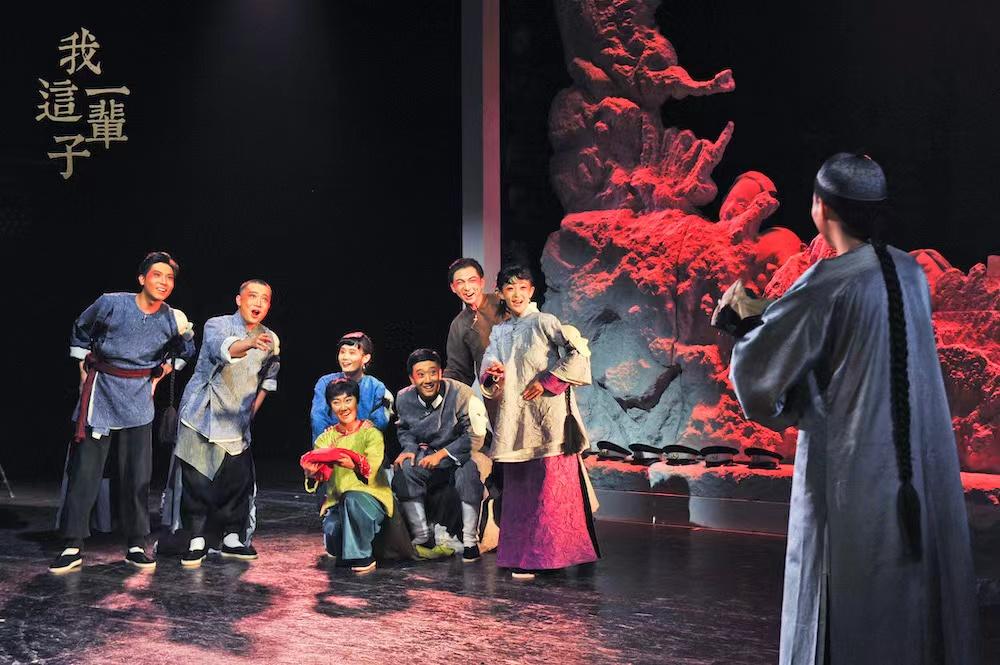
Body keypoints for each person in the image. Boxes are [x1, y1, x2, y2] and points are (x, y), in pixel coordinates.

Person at [724, 153, 979, 665]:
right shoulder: (910, 272)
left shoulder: (826, 281)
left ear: (820, 207)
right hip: (914, 472)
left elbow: (757, 379)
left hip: (848, 472)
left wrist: (742, 324)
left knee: (839, 592)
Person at [50, 251, 196, 574]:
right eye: (157, 275)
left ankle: (135, 543)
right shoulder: (112, 303)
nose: (164, 282)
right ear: (142, 278)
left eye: (170, 278)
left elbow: (186, 349)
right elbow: (80, 329)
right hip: (102, 391)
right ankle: (73, 544)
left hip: (138, 397)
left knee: (137, 476)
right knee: (85, 471)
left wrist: (160, 375)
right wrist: (82, 373)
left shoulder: (173, 318)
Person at [480, 265, 599, 580]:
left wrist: (548, 381)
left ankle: (551, 556)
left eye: (522, 287)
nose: (516, 294)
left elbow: (578, 353)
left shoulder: (545, 322)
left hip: (548, 418)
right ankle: (521, 556)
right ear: (501, 294)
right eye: (509, 288)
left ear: (531, 290)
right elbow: (489, 365)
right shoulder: (500, 332)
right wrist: (493, 373)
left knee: (550, 488)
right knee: (521, 490)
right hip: (516, 419)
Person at [163, 279, 280, 567]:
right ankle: (196, 538)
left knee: (236, 481)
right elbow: (224, 349)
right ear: (239, 299)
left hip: (236, 420)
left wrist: (250, 412)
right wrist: (249, 342)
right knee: (198, 480)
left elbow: (268, 379)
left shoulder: (270, 338)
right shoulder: (218, 324)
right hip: (203, 413)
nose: (258, 303)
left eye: (264, 299)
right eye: (252, 296)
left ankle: (232, 537)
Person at [392, 349, 487, 562]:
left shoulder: (462, 394)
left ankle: (470, 541)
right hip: (427, 455)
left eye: (432, 372)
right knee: (405, 469)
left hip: (460, 454)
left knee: (468, 475)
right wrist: (409, 449)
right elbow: (404, 429)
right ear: (412, 378)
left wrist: (443, 454)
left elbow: (475, 435)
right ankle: (422, 535)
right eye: (421, 374)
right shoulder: (403, 397)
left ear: (441, 373)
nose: (428, 380)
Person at [306, 378, 392, 574]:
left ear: (357, 401)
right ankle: (349, 543)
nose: (343, 407)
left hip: (370, 500)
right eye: (336, 402)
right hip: (338, 503)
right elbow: (318, 471)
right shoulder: (326, 438)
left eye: (348, 400)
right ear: (330, 406)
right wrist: (311, 473)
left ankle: (363, 556)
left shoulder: (371, 434)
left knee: (352, 498)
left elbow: (371, 469)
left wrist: (353, 465)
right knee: (333, 531)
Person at [310, 332, 391, 440]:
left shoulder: (376, 387)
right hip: (331, 443)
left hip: (363, 443)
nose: (345, 357)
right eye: (342, 352)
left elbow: (379, 421)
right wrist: (330, 438)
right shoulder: (325, 382)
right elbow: (318, 417)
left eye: (352, 353)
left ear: (365, 358)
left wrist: (363, 433)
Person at [443, 258, 505, 386]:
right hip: (494, 392)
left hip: (526, 386)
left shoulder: (504, 303)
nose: (467, 287)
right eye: (460, 282)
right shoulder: (458, 325)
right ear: (453, 287)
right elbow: (459, 372)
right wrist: (443, 388)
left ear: (482, 282)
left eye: (472, 280)